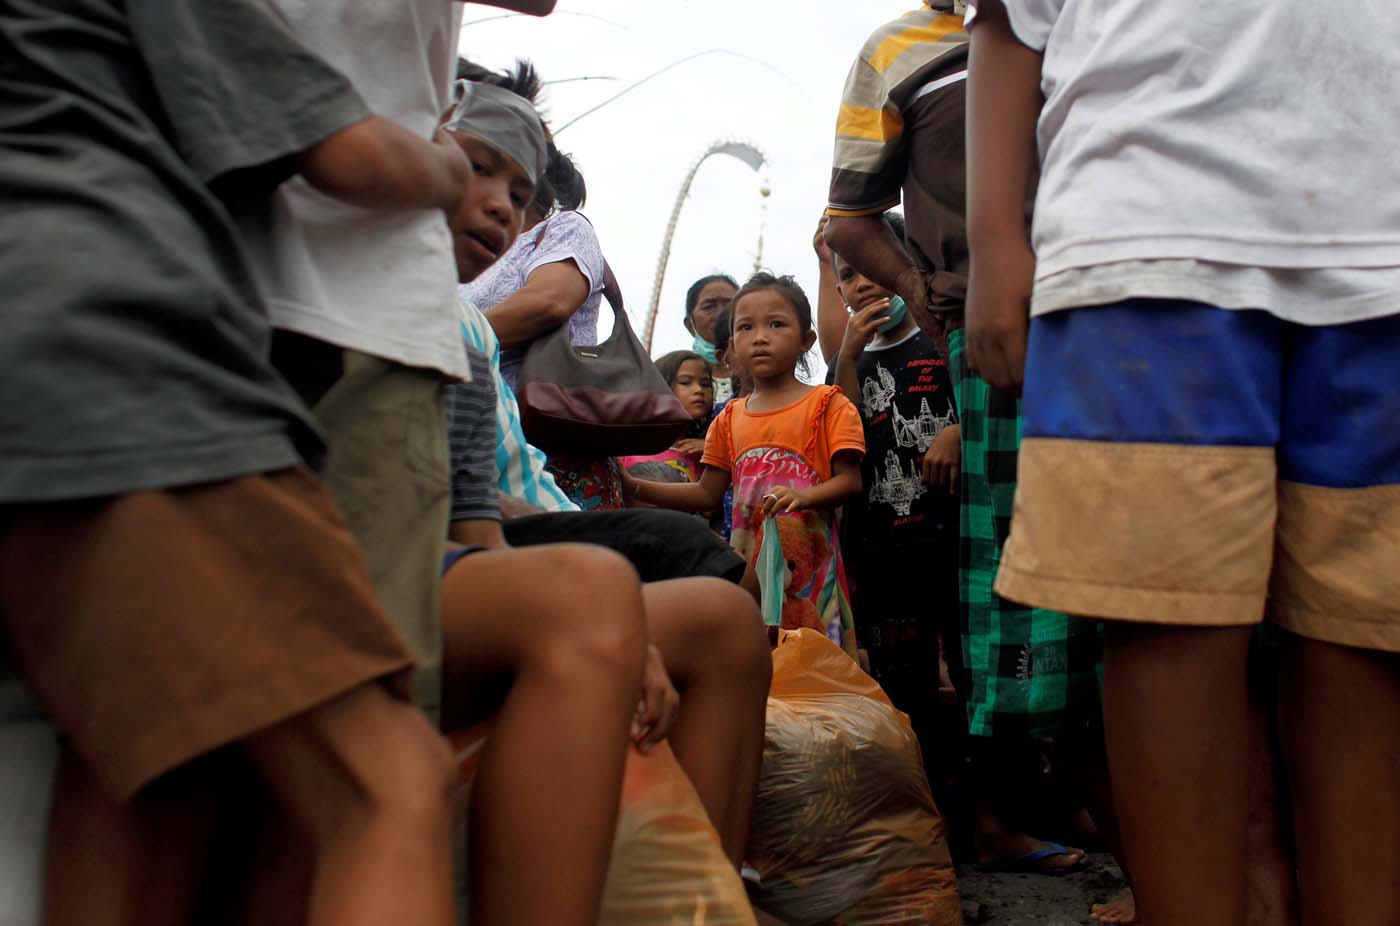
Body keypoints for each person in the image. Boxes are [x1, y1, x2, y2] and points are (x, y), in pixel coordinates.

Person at [0, 3, 465, 924]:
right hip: (103, 357)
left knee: (150, 762)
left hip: (68, 374)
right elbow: (350, 151)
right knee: (386, 785)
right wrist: (455, 164)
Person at [964, 2, 1400, 925]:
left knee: (1370, 630)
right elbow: (1009, 23)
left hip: (1383, 248)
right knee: (1168, 619)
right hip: (1144, 235)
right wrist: (999, 239)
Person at [437, 87, 769, 877]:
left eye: (518, 192)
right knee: (690, 572)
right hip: (405, 563)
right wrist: (591, 604)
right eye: (477, 167)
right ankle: (700, 873)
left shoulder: (467, 312)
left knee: (702, 576)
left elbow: (476, 510)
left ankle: (710, 878)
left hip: (494, 523)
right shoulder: (413, 307)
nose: (497, 206)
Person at [822, 0, 1101, 879]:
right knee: (1004, 587)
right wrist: (930, 296)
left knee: (1118, 570)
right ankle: (1002, 809)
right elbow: (850, 217)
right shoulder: (897, 50)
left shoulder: (1092, 19)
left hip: (1120, 310)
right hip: (995, 334)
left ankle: (1098, 792)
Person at [255, 0, 479, 722]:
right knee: (368, 720)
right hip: (358, 320)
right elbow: (344, 154)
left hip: (219, 300)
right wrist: (447, 174)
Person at [625, 273, 866, 656]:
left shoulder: (827, 404)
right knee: (755, 662)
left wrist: (802, 496)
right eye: (745, 327)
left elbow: (850, 482)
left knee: (817, 667)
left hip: (810, 571)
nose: (760, 337)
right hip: (746, 567)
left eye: (776, 324)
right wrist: (633, 486)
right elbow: (706, 493)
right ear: (731, 346)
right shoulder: (729, 417)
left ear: (807, 340)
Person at [828, 213, 963, 758]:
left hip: (952, 538)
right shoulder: (847, 364)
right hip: (883, 550)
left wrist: (958, 430)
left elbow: (990, 404)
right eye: (847, 274)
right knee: (906, 686)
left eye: (870, 267)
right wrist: (850, 360)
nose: (861, 281)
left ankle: (997, 810)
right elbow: (845, 438)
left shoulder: (944, 341)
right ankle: (935, 807)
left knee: (971, 666)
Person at [621, 351, 715, 482]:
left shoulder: (706, 452)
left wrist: (714, 449)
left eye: (706, 384)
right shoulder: (628, 448)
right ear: (660, 386)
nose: (699, 390)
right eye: (685, 382)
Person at [683, 274, 741, 402]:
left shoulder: (760, 374)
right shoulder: (673, 376)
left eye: (729, 305)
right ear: (690, 325)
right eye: (709, 306)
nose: (721, 313)